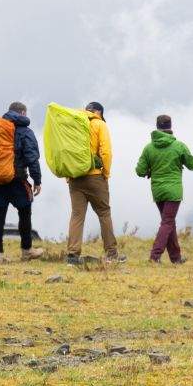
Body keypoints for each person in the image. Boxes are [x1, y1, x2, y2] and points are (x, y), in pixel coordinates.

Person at [135, 113, 193, 264]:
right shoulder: (179, 146)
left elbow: (140, 171)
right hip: (173, 190)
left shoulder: (148, 148)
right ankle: (154, 257)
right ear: (170, 126)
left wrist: (151, 169)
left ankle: (176, 259)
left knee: (169, 221)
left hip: (157, 191)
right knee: (167, 222)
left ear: (157, 127)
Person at [65, 101, 123, 265]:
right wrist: (105, 172)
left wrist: (68, 175)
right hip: (95, 176)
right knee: (104, 213)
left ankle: (72, 255)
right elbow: (106, 152)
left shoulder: (74, 123)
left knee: (77, 215)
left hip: (75, 177)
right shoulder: (99, 124)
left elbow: (66, 150)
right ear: (99, 112)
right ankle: (111, 253)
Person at [0, 102, 42, 262]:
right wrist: (37, 180)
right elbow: (32, 158)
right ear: (23, 113)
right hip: (16, 179)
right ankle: (27, 251)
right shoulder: (25, 132)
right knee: (25, 212)